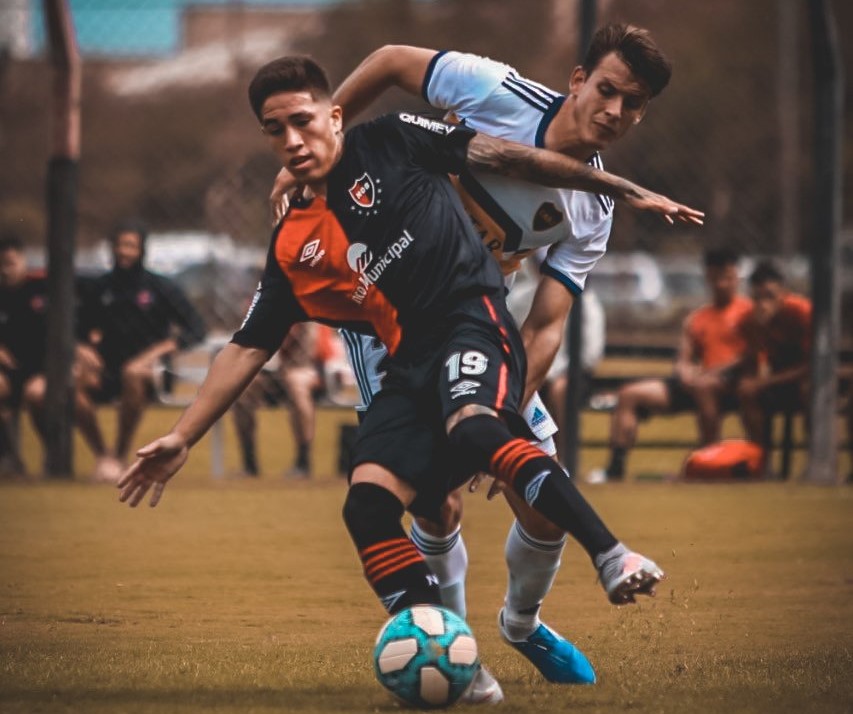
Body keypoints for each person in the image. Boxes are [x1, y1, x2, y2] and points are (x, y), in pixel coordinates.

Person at [116, 56, 701, 700]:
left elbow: (506, 166)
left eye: (303, 122)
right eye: (275, 131)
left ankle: (579, 582)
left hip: (471, 321)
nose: (291, 140)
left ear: (335, 115)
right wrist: (182, 436)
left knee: (496, 454)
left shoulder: (395, 137)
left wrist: (615, 188)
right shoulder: (296, 241)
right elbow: (248, 345)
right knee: (377, 502)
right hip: (398, 356)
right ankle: (454, 651)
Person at [267, 26, 689, 686]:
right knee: (433, 506)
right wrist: (323, 138)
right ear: (577, 80)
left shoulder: (591, 207)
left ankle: (520, 622)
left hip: (473, 329)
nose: (613, 111)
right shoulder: (495, 90)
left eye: (632, 104)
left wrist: (499, 409)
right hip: (389, 331)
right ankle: (460, 661)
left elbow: (547, 324)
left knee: (543, 501)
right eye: (605, 90)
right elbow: (387, 60)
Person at [588, 248, 752, 483]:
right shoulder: (697, 318)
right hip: (696, 385)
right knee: (629, 394)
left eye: (727, 277)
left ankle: (709, 465)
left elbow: (750, 356)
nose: (722, 284)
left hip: (730, 385)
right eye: (716, 277)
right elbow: (683, 358)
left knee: (704, 386)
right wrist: (684, 373)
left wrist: (712, 373)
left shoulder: (748, 313)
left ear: (737, 277)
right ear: (708, 277)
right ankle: (614, 469)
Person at [84, 221, 207, 483]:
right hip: (106, 371)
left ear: (141, 250)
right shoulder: (100, 287)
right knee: (70, 383)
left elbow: (197, 328)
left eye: (130, 246)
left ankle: (119, 454)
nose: (123, 252)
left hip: (155, 373)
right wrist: (85, 351)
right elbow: (78, 328)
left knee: (133, 372)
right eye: (119, 245)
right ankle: (102, 454)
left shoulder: (160, 287)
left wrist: (157, 352)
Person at [0, 235, 107, 475]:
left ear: (23, 260)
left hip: (45, 369)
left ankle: (59, 453)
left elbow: (83, 311)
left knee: (37, 393)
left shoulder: (44, 288)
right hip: (10, 372)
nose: (5, 271)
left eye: (9, 263)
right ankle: (9, 458)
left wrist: (83, 344)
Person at [736, 261, 811, 457]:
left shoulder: (801, 312)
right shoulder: (749, 320)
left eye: (770, 296)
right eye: (757, 297)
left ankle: (818, 458)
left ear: (783, 293)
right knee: (747, 392)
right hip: (776, 380)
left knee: (810, 391)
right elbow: (754, 360)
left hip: (804, 378)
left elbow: (812, 366)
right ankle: (759, 458)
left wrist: (764, 381)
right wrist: (759, 330)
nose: (763, 303)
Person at [232, 323, 322, 478]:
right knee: (243, 390)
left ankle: (303, 461)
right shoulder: (265, 304)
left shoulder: (310, 314)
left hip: (306, 369)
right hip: (275, 372)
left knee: (296, 384)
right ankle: (249, 464)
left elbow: (289, 338)